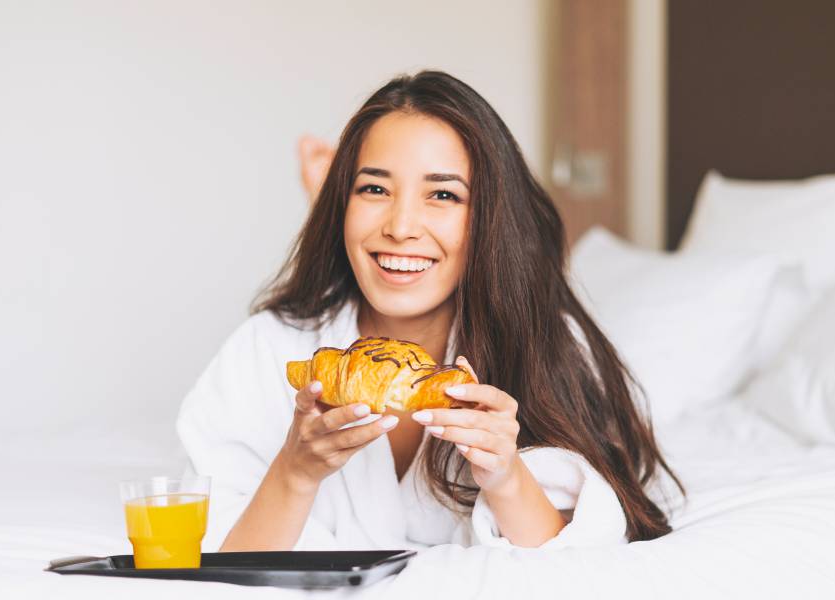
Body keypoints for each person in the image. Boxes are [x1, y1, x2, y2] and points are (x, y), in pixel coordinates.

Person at [177, 70, 682, 553]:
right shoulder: (269, 348)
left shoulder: (540, 347)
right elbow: (218, 560)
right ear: (341, 204)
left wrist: (504, 475)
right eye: (373, 189)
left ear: (488, 216)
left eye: (443, 194)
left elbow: (581, 557)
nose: (401, 225)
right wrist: (295, 471)